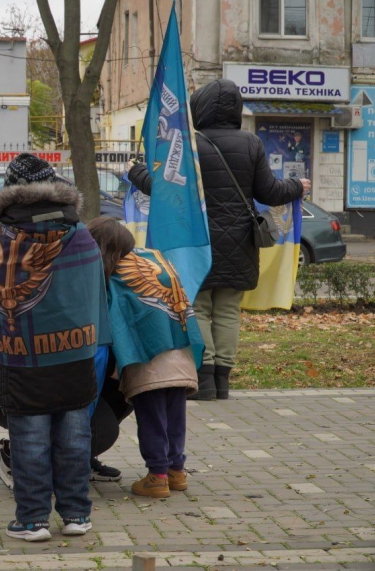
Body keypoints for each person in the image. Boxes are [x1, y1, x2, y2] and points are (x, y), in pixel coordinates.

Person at [128, 79, 309, 400]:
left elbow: (162, 189)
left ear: (200, 107)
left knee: (196, 307)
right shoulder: (251, 144)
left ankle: (205, 378)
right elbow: (269, 192)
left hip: (194, 243)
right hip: (240, 244)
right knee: (227, 310)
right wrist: (297, 185)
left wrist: (135, 172)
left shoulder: (187, 144)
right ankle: (223, 381)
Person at [0, 154, 110, 542]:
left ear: (10, 192)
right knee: (75, 438)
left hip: (21, 355)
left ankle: (32, 521)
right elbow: (96, 291)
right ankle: (77, 515)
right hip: (76, 353)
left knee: (29, 439)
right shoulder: (79, 233)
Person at [88, 216, 203, 499]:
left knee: (152, 418)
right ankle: (177, 471)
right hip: (180, 354)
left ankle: (157, 476)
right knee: (175, 417)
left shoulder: (114, 273)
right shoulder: (154, 258)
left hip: (150, 362)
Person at [0, 343, 129, 492]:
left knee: (132, 389)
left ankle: (77, 460)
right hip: (1, 386)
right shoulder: (95, 331)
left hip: (35, 375)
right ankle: (16, 460)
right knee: (100, 431)